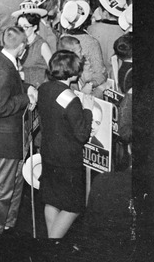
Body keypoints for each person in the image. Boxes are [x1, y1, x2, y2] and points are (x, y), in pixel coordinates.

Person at [0, 26, 38, 239]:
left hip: (12, 136)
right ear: (22, 47)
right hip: (5, 138)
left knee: (14, 181)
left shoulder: (3, 60)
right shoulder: (2, 68)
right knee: (2, 187)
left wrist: (28, 86)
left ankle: (6, 223)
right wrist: (25, 98)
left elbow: (11, 87)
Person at [37, 50, 93, 239]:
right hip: (68, 161)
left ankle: (51, 244)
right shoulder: (72, 99)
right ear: (72, 72)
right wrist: (88, 110)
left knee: (52, 201)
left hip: (48, 154)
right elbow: (82, 134)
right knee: (73, 207)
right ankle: (53, 244)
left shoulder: (44, 89)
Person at [15, 9, 53, 88]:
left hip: (39, 87)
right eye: (19, 26)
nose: (21, 30)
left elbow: (52, 70)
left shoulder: (42, 45)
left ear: (35, 27)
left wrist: (26, 75)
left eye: (26, 27)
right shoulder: (19, 42)